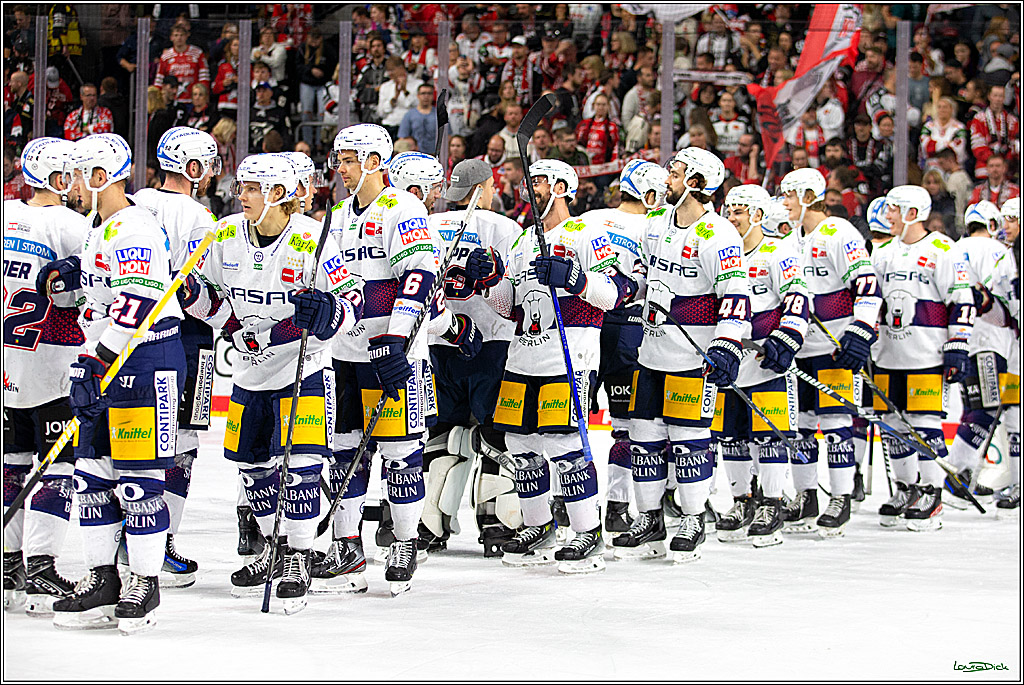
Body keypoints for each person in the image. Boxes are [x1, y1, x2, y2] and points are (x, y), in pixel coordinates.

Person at [183, 153, 360, 612]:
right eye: (241, 187)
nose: (240, 195)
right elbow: (212, 298)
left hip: (303, 370)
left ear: (278, 194)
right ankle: (277, 547)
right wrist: (194, 296)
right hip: (249, 371)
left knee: (300, 467)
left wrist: (330, 315)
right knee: (255, 470)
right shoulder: (224, 235)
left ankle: (298, 558)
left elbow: (350, 302)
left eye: (251, 188)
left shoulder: (311, 238)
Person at [43, 133, 184, 634]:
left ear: (100, 177)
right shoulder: (96, 226)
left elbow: (138, 303)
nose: (69, 187)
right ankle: (103, 578)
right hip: (109, 359)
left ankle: (144, 582)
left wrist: (94, 361)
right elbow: (98, 301)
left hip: (148, 361)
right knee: (92, 475)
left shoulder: (134, 226)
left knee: (138, 479)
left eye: (77, 176)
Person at [469, 158, 627, 574]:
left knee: (563, 445)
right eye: (529, 181)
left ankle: (587, 533)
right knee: (521, 446)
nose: (528, 188)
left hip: (570, 354)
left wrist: (574, 278)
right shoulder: (521, 240)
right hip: (523, 356)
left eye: (537, 181)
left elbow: (612, 293)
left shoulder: (586, 232)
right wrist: (489, 282)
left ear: (560, 187)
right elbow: (509, 308)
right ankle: (539, 527)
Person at [321, 124, 444, 595]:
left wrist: (396, 339)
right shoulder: (334, 216)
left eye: (349, 159)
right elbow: (335, 284)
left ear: (374, 160)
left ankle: (405, 541)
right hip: (345, 353)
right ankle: (347, 547)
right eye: (339, 159)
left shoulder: (404, 208)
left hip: (395, 353)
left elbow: (418, 276)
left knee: (400, 452)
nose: (341, 169)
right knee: (344, 451)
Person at [619, 148, 749, 562]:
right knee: (644, 439)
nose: (666, 179)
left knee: (690, 440)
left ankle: (693, 517)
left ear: (694, 183)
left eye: (674, 174)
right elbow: (641, 276)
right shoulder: (655, 224)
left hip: (693, 359)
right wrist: (619, 289)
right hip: (650, 352)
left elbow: (735, 295)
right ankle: (651, 516)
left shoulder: (719, 234)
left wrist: (727, 344)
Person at [129, 128, 223, 588]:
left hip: (129, 331)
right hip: (186, 337)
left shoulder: (133, 200)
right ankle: (159, 542)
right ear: (191, 168)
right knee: (181, 444)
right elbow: (198, 292)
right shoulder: (202, 217)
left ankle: (124, 537)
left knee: (133, 437)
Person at [3, 138, 84, 617]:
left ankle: (9, 562)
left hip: (8, 364)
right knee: (58, 468)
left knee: (11, 464)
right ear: (57, 179)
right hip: (55, 366)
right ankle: (40, 566)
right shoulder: (74, 226)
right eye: (70, 175)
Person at [423, 158, 519, 556]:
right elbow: (513, 302)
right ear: (487, 186)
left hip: (439, 344)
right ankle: (496, 521)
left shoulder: (426, 225)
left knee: (442, 436)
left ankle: (430, 524)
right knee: (497, 436)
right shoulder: (504, 228)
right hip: (492, 346)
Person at [778, 167, 882, 537]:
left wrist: (861, 331)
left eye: (790, 195)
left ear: (808, 195)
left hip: (835, 348)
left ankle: (841, 496)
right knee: (801, 426)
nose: (785, 202)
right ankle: (807, 495)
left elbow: (867, 285)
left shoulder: (839, 231)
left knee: (836, 424)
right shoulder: (790, 238)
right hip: (799, 348)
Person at [870, 185, 976, 531]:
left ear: (913, 213)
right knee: (894, 427)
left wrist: (958, 344)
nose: (888, 216)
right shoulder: (883, 252)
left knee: (926, 424)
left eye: (894, 210)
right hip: (888, 354)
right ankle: (907, 488)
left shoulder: (943, 248)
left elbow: (962, 299)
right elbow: (871, 301)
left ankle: (932, 494)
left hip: (927, 354)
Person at [711, 183, 810, 546]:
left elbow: (798, 299)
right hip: (730, 362)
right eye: (728, 211)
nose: (730, 217)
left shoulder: (778, 251)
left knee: (770, 437)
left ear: (757, 215)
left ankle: (771, 503)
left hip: (766, 362)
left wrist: (787, 338)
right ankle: (742, 501)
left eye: (738, 212)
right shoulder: (722, 252)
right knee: (732, 438)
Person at [576, 160, 667, 540]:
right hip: (628, 330)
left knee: (568, 427)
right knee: (628, 430)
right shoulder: (656, 227)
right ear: (649, 194)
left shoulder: (590, 216)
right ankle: (616, 508)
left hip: (582, 326)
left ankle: (567, 506)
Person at [945, 200, 1014, 509]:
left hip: (958, 340)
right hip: (989, 340)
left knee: (974, 408)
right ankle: (955, 474)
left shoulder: (953, 249)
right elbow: (1000, 300)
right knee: (985, 410)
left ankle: (964, 472)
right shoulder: (999, 252)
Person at [969, 85, 1020, 179]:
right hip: (984, 168)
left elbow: (1014, 145)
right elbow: (977, 145)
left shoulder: (1012, 120)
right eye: (995, 95)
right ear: (989, 96)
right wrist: (994, 162)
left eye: (1001, 96)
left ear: (1004, 98)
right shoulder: (979, 118)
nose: (997, 99)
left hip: (1006, 169)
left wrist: (1005, 162)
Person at [154, 25, 210, 106]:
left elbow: (204, 77)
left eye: (182, 35)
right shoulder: (166, 56)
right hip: (172, 100)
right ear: (171, 37)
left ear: (187, 36)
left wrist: (203, 96)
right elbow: (159, 79)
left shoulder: (197, 53)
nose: (179, 38)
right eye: (176, 35)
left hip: (192, 100)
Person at [377, 57, 421, 140]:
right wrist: (395, 97)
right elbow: (381, 113)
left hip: (409, 128)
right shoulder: (385, 87)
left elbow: (419, 106)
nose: (389, 73)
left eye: (392, 70)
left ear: (401, 68)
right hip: (389, 127)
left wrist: (405, 92)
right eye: (388, 70)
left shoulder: (417, 84)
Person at [398, 84, 438, 156]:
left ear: (433, 95)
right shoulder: (409, 115)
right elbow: (403, 138)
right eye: (423, 93)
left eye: (429, 93)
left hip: (435, 155)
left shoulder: (439, 115)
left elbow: (447, 137)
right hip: (414, 156)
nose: (426, 96)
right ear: (418, 95)